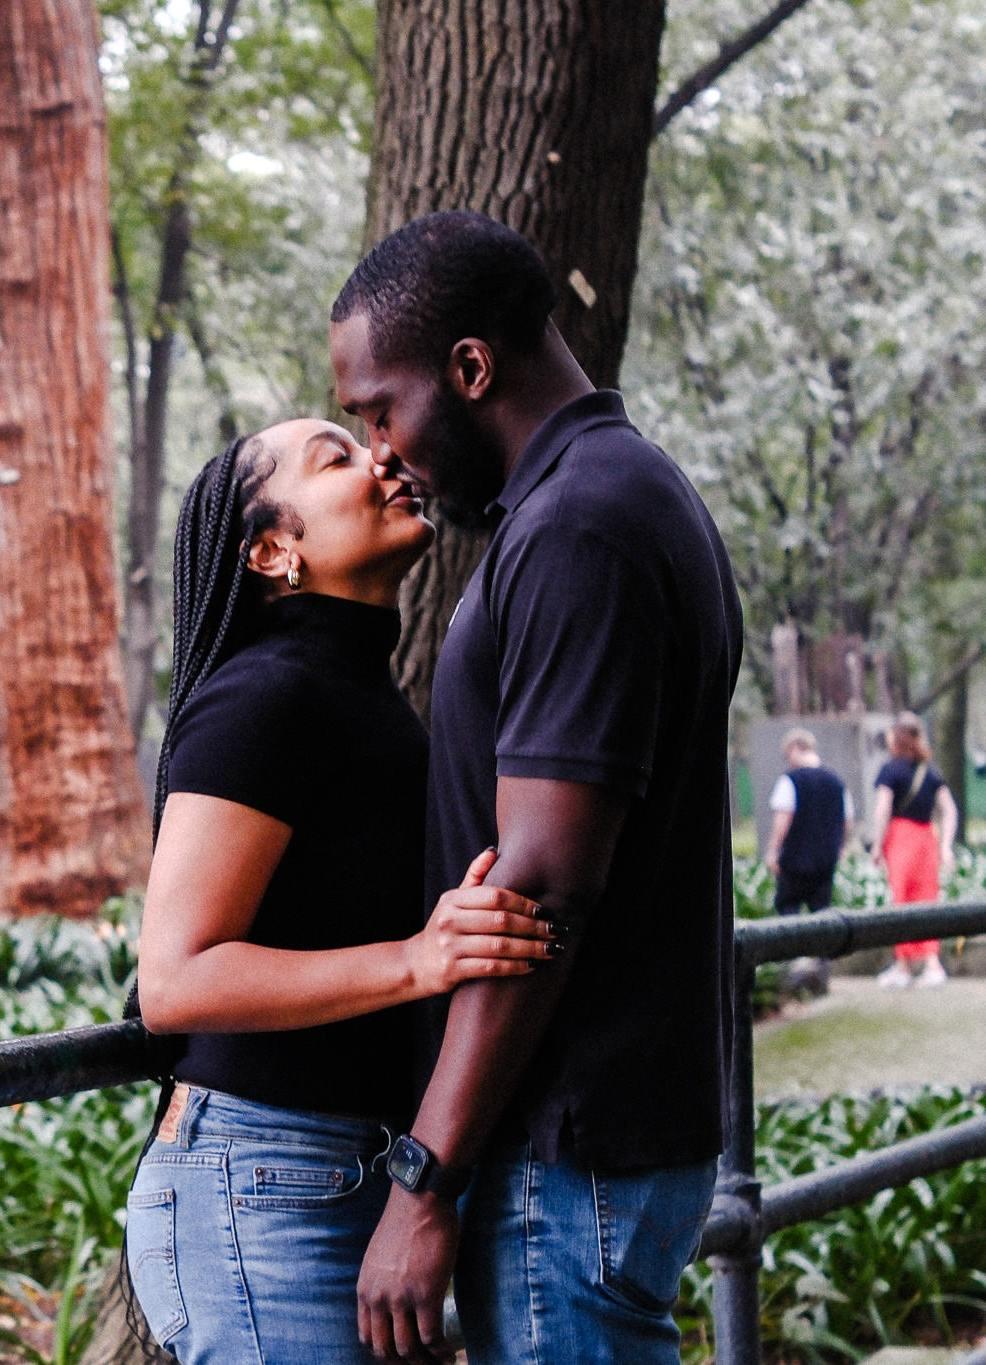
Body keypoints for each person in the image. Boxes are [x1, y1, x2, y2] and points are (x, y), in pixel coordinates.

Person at [328, 211, 742, 1365]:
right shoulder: (603, 499)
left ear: (468, 368)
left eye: (379, 409)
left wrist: (423, 1176)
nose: (377, 450)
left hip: (565, 1146)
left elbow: (544, 882)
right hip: (579, 1142)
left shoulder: (579, 529)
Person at [123, 418, 558, 1364]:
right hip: (260, 1189)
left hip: (350, 1170)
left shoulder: (361, 695)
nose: (383, 459)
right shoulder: (261, 698)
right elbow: (174, 980)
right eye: (337, 457)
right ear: (275, 549)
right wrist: (416, 961)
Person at [869, 711, 958, 987]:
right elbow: (950, 810)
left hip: (900, 838)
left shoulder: (890, 769)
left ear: (896, 736)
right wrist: (946, 846)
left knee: (901, 900)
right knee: (927, 899)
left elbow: (883, 809)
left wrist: (876, 845)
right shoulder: (930, 770)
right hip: (926, 838)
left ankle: (904, 966)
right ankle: (932, 965)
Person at [767, 728, 852, 993]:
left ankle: (794, 972)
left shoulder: (790, 781)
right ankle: (821, 974)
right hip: (826, 860)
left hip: (794, 861)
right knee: (822, 914)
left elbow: (783, 819)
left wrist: (772, 851)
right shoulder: (837, 782)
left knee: (788, 908)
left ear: (795, 748)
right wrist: (841, 847)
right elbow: (847, 820)